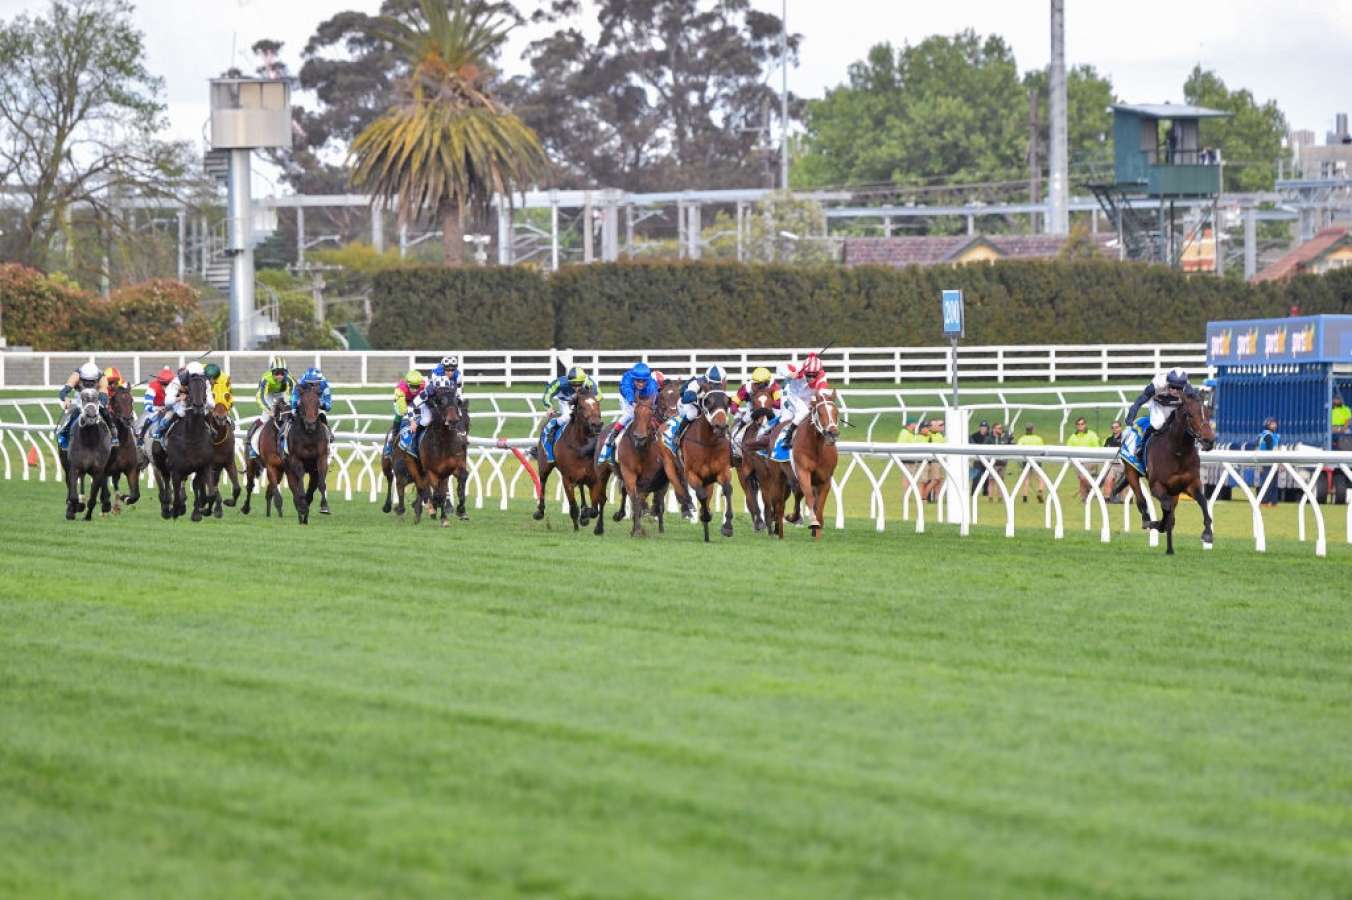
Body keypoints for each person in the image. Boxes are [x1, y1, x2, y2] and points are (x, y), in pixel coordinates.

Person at [1119, 367, 1190, 474]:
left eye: (1178, 388)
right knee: (1158, 424)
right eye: (1172, 387)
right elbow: (1139, 401)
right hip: (1158, 405)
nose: (1175, 391)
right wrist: (1130, 419)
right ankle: (1141, 448)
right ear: (1167, 382)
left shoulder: (1189, 390)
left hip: (1176, 406)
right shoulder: (1157, 385)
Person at [770, 354, 828, 462]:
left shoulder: (822, 377)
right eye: (808, 375)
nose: (811, 378)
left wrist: (815, 401)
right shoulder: (798, 368)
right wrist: (789, 374)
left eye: (814, 375)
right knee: (803, 412)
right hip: (792, 395)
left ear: (819, 373)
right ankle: (786, 438)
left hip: (808, 400)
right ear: (805, 371)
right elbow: (779, 366)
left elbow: (822, 393)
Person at [660, 364, 724, 456]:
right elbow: (686, 398)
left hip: (701, 404)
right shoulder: (697, 383)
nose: (714, 386)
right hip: (685, 404)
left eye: (717, 384)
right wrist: (699, 396)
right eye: (712, 384)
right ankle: (677, 435)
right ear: (707, 381)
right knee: (693, 413)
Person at [539, 366, 597, 463]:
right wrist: (549, 406)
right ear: (569, 382)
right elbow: (547, 394)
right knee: (567, 417)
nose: (577, 388)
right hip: (565, 402)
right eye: (574, 384)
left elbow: (598, 395)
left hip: (581, 401)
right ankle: (552, 424)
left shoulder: (589, 382)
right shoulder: (560, 383)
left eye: (580, 384)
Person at [56, 361, 117, 449]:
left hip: (95, 397)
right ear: (81, 377)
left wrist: (102, 403)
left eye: (92, 381)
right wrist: (65, 398)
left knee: (104, 411)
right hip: (81, 396)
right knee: (76, 411)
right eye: (86, 381)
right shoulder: (76, 375)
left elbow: (104, 394)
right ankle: (64, 433)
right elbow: (63, 391)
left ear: (96, 377)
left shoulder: (102, 377)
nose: (89, 384)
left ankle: (114, 434)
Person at [282, 366, 333, 455]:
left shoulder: (324, 385)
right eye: (311, 384)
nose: (313, 386)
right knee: (290, 419)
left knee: (323, 416)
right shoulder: (301, 383)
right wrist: (295, 406)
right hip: (303, 408)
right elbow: (294, 397)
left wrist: (320, 403)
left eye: (316, 384)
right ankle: (284, 445)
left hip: (317, 408)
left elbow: (329, 406)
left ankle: (328, 443)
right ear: (306, 382)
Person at [155, 361, 206, 441]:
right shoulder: (176, 384)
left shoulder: (194, 383)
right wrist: (180, 398)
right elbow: (170, 400)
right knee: (168, 417)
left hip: (193, 405)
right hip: (177, 405)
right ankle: (160, 432)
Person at [730, 366, 780, 442]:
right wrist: (737, 412)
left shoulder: (774, 386)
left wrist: (767, 405)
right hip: (752, 406)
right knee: (747, 417)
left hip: (771, 407)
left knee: (779, 416)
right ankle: (736, 436)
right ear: (754, 383)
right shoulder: (746, 388)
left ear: (768, 382)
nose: (762, 387)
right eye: (758, 384)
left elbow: (778, 403)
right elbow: (734, 403)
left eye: (765, 384)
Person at [1066, 416, 1102, 501]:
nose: (1080, 426)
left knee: (1082, 477)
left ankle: (1093, 491)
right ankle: (1085, 497)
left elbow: (1097, 448)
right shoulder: (1073, 437)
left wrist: (1095, 462)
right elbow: (1068, 449)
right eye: (1078, 424)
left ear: (1085, 425)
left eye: (1082, 424)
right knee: (1082, 478)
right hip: (1077, 462)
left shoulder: (1092, 435)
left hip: (1090, 461)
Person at [140, 366, 176, 445]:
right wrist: (157, 408)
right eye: (163, 384)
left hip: (172, 408)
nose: (166, 387)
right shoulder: (153, 387)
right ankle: (141, 438)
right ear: (159, 382)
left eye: (168, 384)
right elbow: (147, 404)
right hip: (156, 408)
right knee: (148, 419)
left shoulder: (176, 386)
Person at [1015, 424, 1045, 503]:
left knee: (1026, 479)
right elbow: (1042, 450)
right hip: (1036, 461)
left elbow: (1018, 449)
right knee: (1041, 478)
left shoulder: (1022, 439)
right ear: (1033, 429)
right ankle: (1040, 491)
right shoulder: (1038, 439)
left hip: (1026, 461)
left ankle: (1025, 497)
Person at [1257, 416, 1281, 507]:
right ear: (1267, 425)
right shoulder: (1268, 436)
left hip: (1272, 462)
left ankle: (1273, 502)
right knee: (1268, 483)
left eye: (1275, 423)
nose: (1275, 425)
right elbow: (1270, 450)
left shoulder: (1273, 436)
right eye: (1272, 423)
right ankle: (1264, 501)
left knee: (1274, 483)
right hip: (1267, 462)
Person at [1101, 420, 1125, 502]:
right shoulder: (1108, 440)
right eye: (1113, 427)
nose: (1115, 429)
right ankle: (1106, 498)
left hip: (1123, 464)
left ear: (1120, 428)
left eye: (1116, 427)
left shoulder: (1125, 438)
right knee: (1108, 479)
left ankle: (1124, 499)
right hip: (1111, 464)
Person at [969, 420, 994, 496]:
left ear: (987, 428)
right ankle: (973, 492)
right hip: (977, 459)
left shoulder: (989, 436)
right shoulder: (974, 436)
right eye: (982, 427)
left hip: (987, 458)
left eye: (985, 427)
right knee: (977, 476)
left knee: (986, 476)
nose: (983, 429)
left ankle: (985, 492)